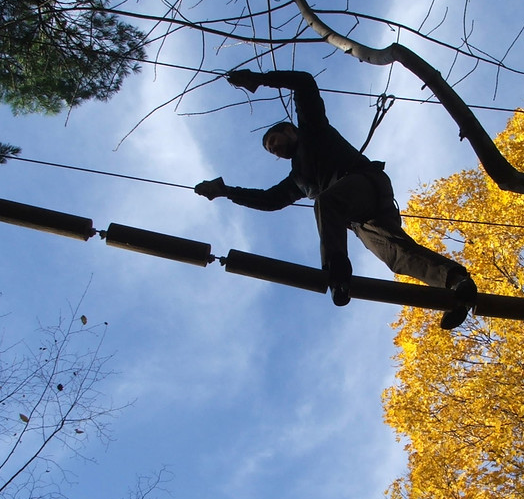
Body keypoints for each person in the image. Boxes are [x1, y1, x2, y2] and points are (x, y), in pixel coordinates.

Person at [194, 69, 478, 330]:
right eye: (270, 151)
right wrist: (227, 191)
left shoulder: (312, 130)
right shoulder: (298, 179)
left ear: (289, 130)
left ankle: (337, 274)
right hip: (360, 217)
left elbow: (304, 82)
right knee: (395, 256)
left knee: (326, 203)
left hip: (365, 183)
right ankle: (457, 284)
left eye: (274, 142)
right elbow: (269, 200)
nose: (275, 150)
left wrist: (260, 79)